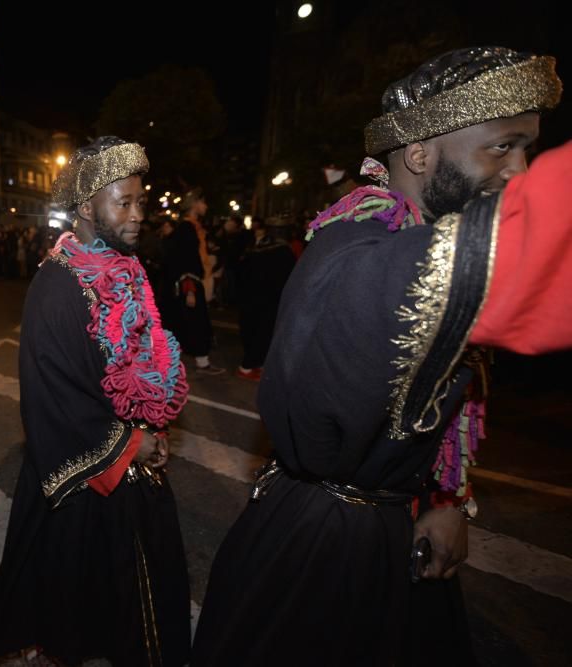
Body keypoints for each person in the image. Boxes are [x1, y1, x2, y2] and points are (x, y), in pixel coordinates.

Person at [192, 46, 567, 665]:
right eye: (502, 147)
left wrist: (444, 502)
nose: (521, 171)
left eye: (528, 149)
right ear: (419, 154)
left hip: (395, 520)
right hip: (326, 543)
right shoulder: (355, 249)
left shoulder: (414, 233)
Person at [0, 137, 192, 666]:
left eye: (142, 202)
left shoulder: (127, 267)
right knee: (86, 586)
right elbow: (55, 396)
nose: (138, 214)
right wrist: (130, 443)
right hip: (94, 465)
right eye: (125, 202)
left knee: (132, 588)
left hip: (134, 450)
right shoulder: (57, 285)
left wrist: (154, 418)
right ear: (85, 207)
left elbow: (141, 354)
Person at [163, 187, 223, 374]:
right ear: (195, 204)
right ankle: (200, 363)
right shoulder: (187, 228)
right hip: (189, 283)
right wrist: (189, 289)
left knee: (186, 321)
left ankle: (183, 361)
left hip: (192, 281)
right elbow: (185, 260)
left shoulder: (192, 227)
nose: (206, 206)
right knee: (193, 322)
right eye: (203, 202)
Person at [233, 217, 296, 381]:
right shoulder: (284, 251)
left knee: (252, 332)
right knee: (263, 334)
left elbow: (241, 271)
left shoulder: (257, 247)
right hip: (268, 300)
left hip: (250, 297)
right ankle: (246, 367)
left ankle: (255, 364)